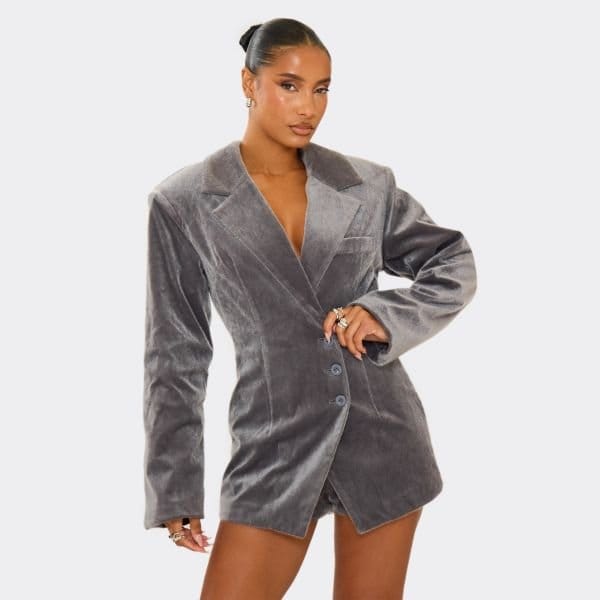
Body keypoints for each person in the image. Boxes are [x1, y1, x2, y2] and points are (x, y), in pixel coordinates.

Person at [142, 17, 477, 599]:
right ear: (249, 83)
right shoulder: (183, 201)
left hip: (383, 439)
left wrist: (384, 314)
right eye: (289, 86)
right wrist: (175, 484)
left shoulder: (366, 184)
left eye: (321, 89)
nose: (309, 107)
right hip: (273, 444)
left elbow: (452, 262)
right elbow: (176, 350)